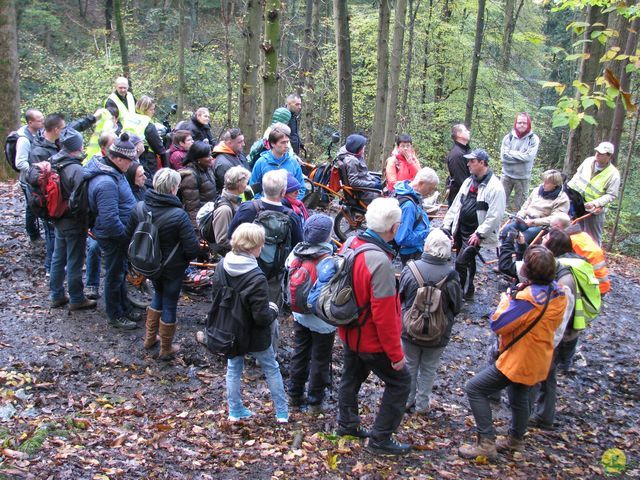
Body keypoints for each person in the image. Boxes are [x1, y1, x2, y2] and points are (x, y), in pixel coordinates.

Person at [458, 245, 567, 460]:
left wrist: (507, 299)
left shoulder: (527, 301)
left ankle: (486, 441)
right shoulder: (558, 294)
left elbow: (498, 324)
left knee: (474, 388)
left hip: (518, 359)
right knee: (519, 398)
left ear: (528, 271)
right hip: (540, 357)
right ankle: (516, 440)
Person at [336, 197, 411, 456]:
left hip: (349, 331)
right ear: (393, 228)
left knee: (351, 376)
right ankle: (380, 439)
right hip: (370, 339)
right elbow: (385, 316)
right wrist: (396, 355)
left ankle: (347, 424)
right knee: (401, 383)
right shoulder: (380, 262)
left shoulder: (350, 243)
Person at [200, 223, 288, 423]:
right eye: (261, 244)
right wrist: (273, 308)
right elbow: (261, 317)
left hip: (229, 330)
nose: (263, 246)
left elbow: (217, 297)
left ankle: (235, 410)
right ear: (252, 247)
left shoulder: (221, 265)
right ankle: (282, 413)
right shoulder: (256, 277)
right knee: (271, 367)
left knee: (234, 368)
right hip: (254, 334)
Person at [125, 168, 200, 360]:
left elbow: (128, 236)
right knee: (169, 304)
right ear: (174, 188)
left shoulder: (139, 207)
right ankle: (166, 348)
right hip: (172, 269)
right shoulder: (178, 215)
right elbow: (192, 248)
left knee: (158, 294)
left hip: (149, 265)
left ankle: (149, 339)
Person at [228, 169, 303, 354]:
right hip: (273, 275)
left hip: (244, 271)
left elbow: (231, 236)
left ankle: (238, 346)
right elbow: (298, 246)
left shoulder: (248, 209)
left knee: (241, 307)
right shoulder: (291, 216)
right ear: (283, 191)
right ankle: (267, 351)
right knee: (269, 311)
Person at [399, 229, 463, 414]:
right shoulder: (452, 276)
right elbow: (457, 306)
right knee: (429, 368)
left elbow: (400, 297)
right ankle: (422, 405)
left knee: (409, 364)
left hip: (410, 329)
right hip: (438, 332)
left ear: (426, 246)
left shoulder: (410, 269)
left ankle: (406, 401)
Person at [86, 133, 139, 330]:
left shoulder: (115, 172)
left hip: (120, 235)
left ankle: (124, 307)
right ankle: (115, 314)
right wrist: (124, 237)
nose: (132, 164)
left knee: (121, 272)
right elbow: (109, 219)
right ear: (117, 158)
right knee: (114, 275)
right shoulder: (107, 182)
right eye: (129, 160)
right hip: (114, 237)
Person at [286, 214, 335, 412]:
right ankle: (315, 402)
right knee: (320, 358)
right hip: (322, 320)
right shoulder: (330, 260)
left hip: (300, 314)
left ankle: (294, 395)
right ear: (327, 236)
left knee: (300, 352)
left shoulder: (296, 254)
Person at [443, 149, 506, 300]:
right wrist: (447, 225)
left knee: (461, 262)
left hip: (474, 232)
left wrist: (480, 233)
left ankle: (458, 295)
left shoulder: (495, 187)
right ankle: (468, 289)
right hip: (461, 227)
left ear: (482, 163)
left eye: (472, 161)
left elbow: (495, 215)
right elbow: (456, 205)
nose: (468, 164)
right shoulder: (468, 181)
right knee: (465, 260)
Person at [48, 128, 97, 311]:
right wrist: (87, 221)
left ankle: (57, 295)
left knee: (58, 257)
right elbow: (82, 202)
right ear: (77, 146)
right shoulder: (76, 169)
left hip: (58, 217)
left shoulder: (53, 161)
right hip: (73, 221)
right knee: (75, 260)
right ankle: (77, 298)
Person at [566, 142, 620, 245]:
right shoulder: (588, 161)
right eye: (597, 151)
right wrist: (568, 192)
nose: (597, 154)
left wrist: (597, 203)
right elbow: (577, 176)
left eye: (601, 153)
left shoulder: (613, 174)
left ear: (609, 156)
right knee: (573, 231)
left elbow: (611, 195)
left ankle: (595, 259)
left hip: (594, 210)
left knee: (593, 237)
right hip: (577, 203)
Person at [84, 132, 116, 301]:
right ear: (104, 148)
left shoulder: (116, 162)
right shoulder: (96, 164)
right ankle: (92, 284)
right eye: (112, 144)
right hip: (96, 217)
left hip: (108, 214)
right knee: (94, 247)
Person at [501, 170, 570, 245]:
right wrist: (520, 215)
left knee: (523, 238)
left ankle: (520, 254)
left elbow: (554, 219)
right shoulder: (537, 191)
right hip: (525, 220)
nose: (543, 184)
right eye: (543, 181)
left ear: (555, 185)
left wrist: (534, 222)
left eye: (547, 183)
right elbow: (525, 206)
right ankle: (504, 251)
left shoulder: (562, 199)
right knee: (507, 230)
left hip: (541, 226)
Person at [549, 213, 610, 295]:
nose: (550, 230)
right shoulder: (583, 235)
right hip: (602, 284)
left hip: (594, 287)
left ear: (557, 226)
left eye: (551, 226)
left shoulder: (568, 241)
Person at [200, 166, 251, 256]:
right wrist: (244, 248)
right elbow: (222, 240)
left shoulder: (233, 200)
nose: (246, 186)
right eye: (246, 182)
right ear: (239, 183)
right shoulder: (224, 209)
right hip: (227, 256)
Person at [394, 167, 439, 264]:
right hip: (410, 253)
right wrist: (428, 232)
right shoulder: (409, 205)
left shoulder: (411, 195)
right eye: (430, 188)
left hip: (415, 248)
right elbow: (402, 238)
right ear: (421, 183)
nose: (431, 192)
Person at [122, 96, 168, 184]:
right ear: (144, 109)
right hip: (147, 160)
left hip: (128, 156)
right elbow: (160, 149)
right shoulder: (147, 124)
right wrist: (167, 169)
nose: (153, 112)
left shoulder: (129, 118)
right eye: (151, 109)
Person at [249, 127, 306, 200]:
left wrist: (292, 203)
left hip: (289, 208)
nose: (286, 145)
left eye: (287, 142)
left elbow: (301, 187)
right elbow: (252, 189)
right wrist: (264, 204)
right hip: (266, 208)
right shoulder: (261, 162)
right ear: (273, 144)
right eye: (283, 142)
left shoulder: (293, 162)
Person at [14, 108, 44, 244]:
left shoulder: (38, 134)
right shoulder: (24, 140)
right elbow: (20, 162)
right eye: (39, 120)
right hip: (28, 180)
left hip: (36, 178)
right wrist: (37, 170)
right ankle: (33, 235)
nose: (43, 122)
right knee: (32, 208)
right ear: (30, 122)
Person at [500, 112, 540, 212]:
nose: (521, 125)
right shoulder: (508, 137)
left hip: (523, 178)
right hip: (506, 175)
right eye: (519, 122)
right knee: (499, 201)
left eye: (524, 123)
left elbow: (528, 157)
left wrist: (511, 153)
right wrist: (521, 157)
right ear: (516, 124)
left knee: (521, 207)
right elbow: (504, 158)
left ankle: (517, 226)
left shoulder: (533, 139)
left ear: (528, 124)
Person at [178, 141, 217, 233]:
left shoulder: (207, 169)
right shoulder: (190, 177)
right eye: (207, 156)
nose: (211, 158)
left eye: (211, 155)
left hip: (209, 216)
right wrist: (198, 231)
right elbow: (192, 208)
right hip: (201, 222)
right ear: (198, 158)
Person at [336, 134, 382, 203]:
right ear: (356, 148)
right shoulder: (352, 161)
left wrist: (373, 179)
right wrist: (374, 185)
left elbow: (362, 173)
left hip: (367, 186)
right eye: (362, 147)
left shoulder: (354, 155)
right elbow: (354, 182)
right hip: (364, 193)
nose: (364, 147)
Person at [212, 128, 250, 193]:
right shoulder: (223, 164)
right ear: (229, 143)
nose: (243, 144)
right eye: (240, 142)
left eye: (243, 141)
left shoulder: (238, 153)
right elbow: (230, 189)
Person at [446, 123, 471, 206]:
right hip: (458, 199)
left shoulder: (466, 151)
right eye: (465, 130)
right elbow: (461, 180)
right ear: (459, 135)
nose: (468, 132)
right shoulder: (456, 155)